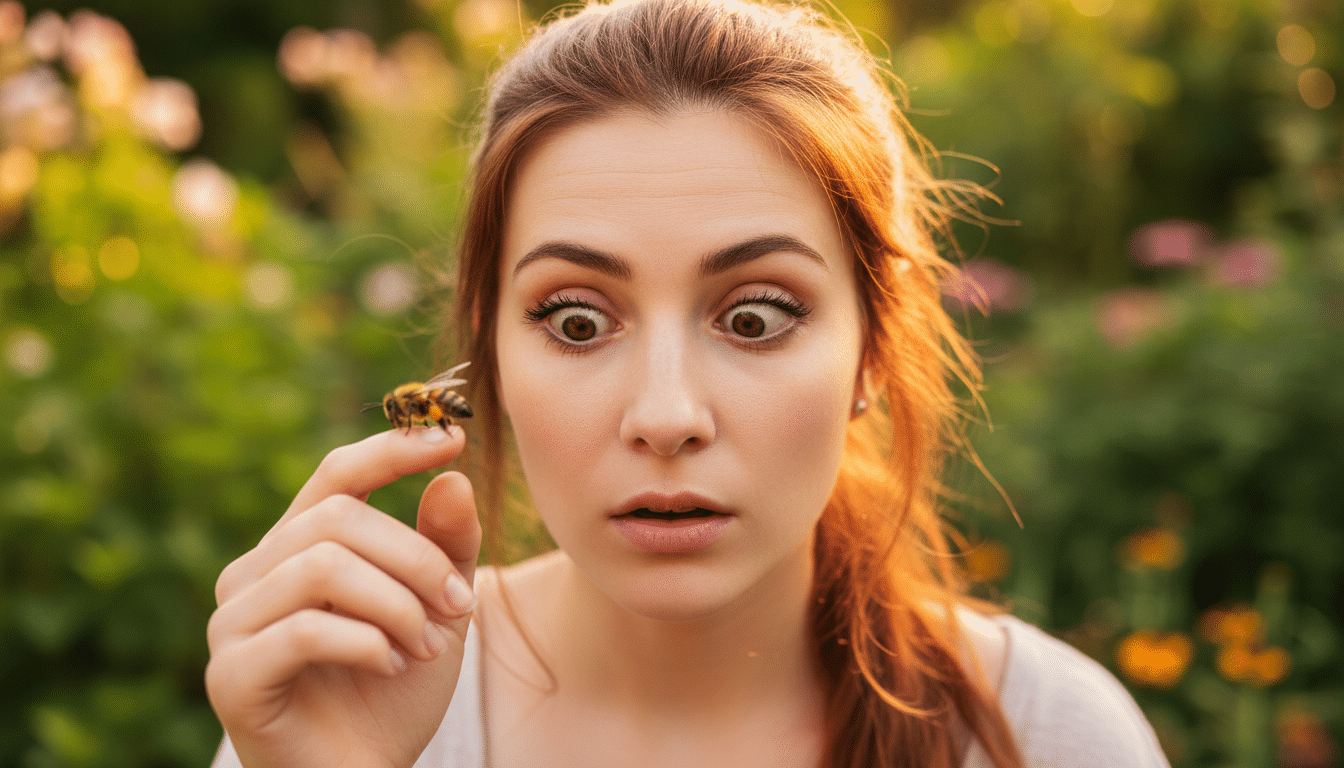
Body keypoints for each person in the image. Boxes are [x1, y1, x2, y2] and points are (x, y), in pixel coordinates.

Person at [205, 0, 1172, 766]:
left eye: (754, 318)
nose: (666, 418)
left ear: (873, 350)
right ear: (488, 352)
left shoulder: (1048, 740)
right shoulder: (356, 700)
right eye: (576, 322)